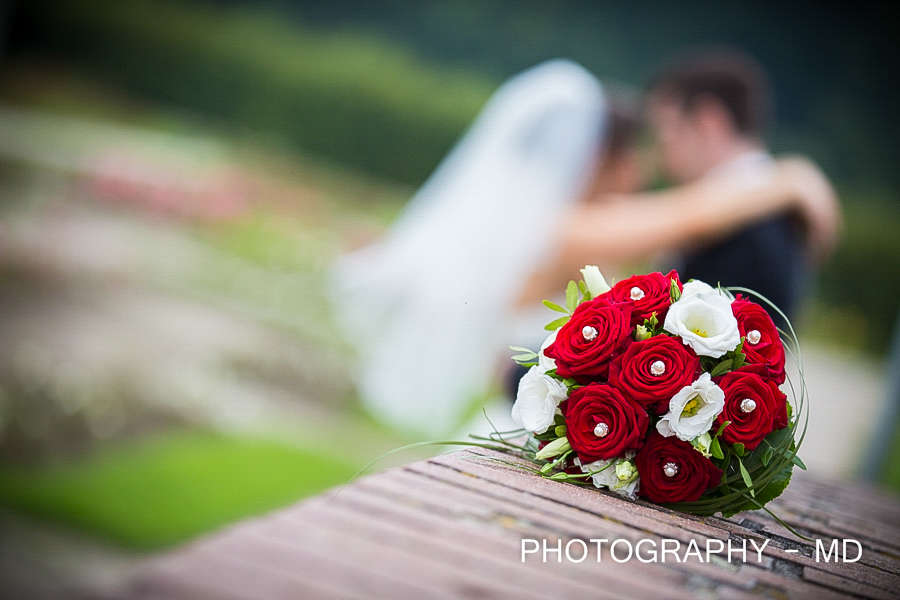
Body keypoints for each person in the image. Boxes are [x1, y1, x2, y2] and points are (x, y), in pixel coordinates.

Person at [331, 60, 839, 436]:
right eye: (639, 151)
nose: (652, 165)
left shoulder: (741, 217)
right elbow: (686, 216)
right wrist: (792, 179)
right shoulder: (576, 227)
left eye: (662, 137)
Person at [645, 51, 816, 321]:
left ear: (708, 121)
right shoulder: (768, 204)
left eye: (668, 128)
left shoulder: (753, 224)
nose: (661, 147)